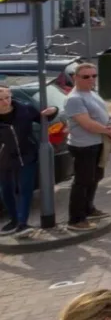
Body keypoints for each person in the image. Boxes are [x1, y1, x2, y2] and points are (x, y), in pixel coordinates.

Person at [64, 64, 111, 229]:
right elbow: (87, 124)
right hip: (83, 146)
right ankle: (76, 220)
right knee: (82, 181)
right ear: (75, 78)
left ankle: (89, 209)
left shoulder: (92, 93)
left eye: (94, 76)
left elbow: (102, 114)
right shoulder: (74, 99)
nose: (91, 79)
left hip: (97, 143)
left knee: (94, 178)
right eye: (86, 77)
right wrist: (108, 131)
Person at [0, 85, 56, 235]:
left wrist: (53, 110)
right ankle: (14, 219)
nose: (5, 102)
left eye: (7, 98)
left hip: (27, 155)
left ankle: (22, 223)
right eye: (0, 100)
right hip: (3, 160)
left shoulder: (25, 109)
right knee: (6, 190)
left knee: (25, 189)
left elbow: (42, 118)